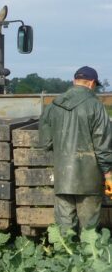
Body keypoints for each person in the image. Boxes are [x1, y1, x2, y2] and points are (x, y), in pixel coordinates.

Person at [38, 66, 112, 232]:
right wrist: (108, 175)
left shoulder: (53, 106)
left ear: (74, 81)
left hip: (63, 177)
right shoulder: (95, 106)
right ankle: (88, 258)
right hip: (89, 179)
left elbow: (46, 142)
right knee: (89, 232)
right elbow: (103, 145)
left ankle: (66, 256)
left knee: (64, 231)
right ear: (92, 83)